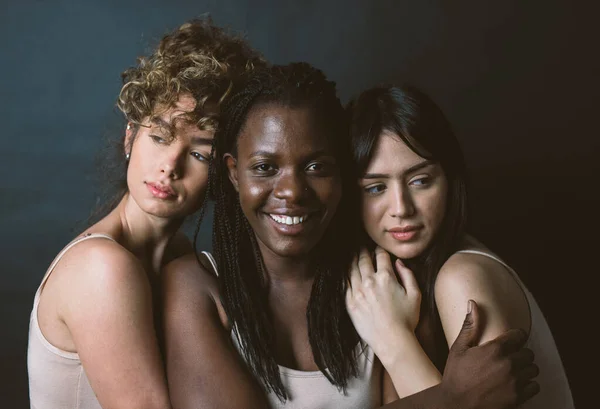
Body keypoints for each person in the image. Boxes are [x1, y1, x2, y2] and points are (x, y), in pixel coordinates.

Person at [162, 63, 539, 409]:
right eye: (265, 167)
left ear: (342, 174)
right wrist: (451, 399)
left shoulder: (382, 287)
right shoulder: (194, 286)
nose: (292, 191)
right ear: (233, 173)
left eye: (315, 166)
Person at [27, 18, 263, 409]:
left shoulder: (181, 261)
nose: (170, 165)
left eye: (199, 153)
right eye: (159, 136)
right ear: (129, 137)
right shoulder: (100, 268)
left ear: (225, 172)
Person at [345, 84, 573, 407]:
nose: (401, 207)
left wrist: (392, 338)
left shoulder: (461, 278)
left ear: (449, 180)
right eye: (376, 188)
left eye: (419, 180)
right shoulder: (390, 288)